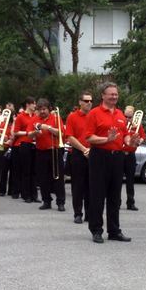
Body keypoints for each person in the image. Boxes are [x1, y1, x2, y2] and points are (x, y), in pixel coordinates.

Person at [85, 82, 140, 243]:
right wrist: (106, 139)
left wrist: (132, 141)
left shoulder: (120, 115)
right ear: (103, 95)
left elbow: (124, 137)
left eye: (116, 94)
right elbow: (89, 137)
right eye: (111, 94)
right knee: (97, 194)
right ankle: (96, 230)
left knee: (115, 196)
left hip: (117, 157)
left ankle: (114, 230)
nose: (114, 96)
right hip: (99, 156)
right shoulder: (94, 113)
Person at [30, 99, 66, 211]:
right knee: (43, 177)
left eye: (44, 109)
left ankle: (60, 202)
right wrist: (36, 132)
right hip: (41, 151)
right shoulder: (35, 119)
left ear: (48, 109)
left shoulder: (55, 118)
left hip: (54, 150)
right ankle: (46, 201)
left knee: (58, 177)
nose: (42, 112)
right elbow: (29, 135)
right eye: (40, 109)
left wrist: (48, 128)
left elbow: (62, 133)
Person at [65, 91, 92, 224]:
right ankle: (78, 213)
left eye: (90, 101)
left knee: (91, 186)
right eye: (86, 101)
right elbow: (70, 136)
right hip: (77, 153)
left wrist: (91, 149)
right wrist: (84, 149)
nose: (89, 103)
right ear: (80, 102)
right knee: (78, 185)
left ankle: (89, 213)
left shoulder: (94, 116)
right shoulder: (72, 117)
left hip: (93, 153)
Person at [13, 97, 39, 203]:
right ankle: (26, 194)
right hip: (24, 144)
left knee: (34, 171)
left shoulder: (36, 116)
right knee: (26, 171)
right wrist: (28, 133)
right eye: (33, 104)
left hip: (34, 144)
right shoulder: (20, 116)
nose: (35, 106)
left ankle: (34, 195)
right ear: (28, 105)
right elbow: (15, 132)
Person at [121, 105, 146, 211]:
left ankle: (130, 203)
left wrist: (139, 141)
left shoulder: (137, 126)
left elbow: (143, 136)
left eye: (130, 117)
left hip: (130, 155)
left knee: (130, 181)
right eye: (126, 116)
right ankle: (116, 202)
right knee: (117, 180)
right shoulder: (120, 124)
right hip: (120, 154)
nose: (127, 119)